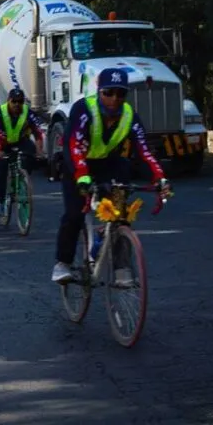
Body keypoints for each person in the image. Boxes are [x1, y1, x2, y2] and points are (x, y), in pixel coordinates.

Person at [52, 67, 170, 284]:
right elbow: (74, 145)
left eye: (120, 94)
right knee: (74, 214)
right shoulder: (83, 109)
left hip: (108, 164)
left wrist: (159, 178)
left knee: (121, 213)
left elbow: (143, 151)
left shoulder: (130, 117)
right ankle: (63, 263)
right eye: (109, 93)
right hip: (77, 165)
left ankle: (122, 269)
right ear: (99, 91)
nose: (114, 99)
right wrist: (83, 177)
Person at [0, 88, 43, 216]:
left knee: (30, 154)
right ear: (8, 100)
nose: (17, 104)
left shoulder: (27, 112)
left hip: (20, 141)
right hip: (2, 143)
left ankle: (23, 180)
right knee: (1, 169)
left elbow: (38, 132)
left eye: (20, 101)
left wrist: (39, 150)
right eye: (14, 101)